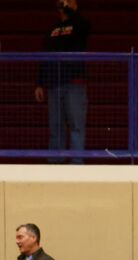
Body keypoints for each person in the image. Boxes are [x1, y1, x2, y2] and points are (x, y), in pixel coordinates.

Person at [37, 0, 90, 158]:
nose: (65, 4)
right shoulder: (52, 29)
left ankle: (77, 163)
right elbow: (44, 55)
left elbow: (85, 26)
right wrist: (39, 83)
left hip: (74, 83)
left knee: (76, 125)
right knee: (56, 126)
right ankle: (55, 162)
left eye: (69, 1)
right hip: (54, 84)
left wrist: (70, 10)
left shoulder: (79, 25)